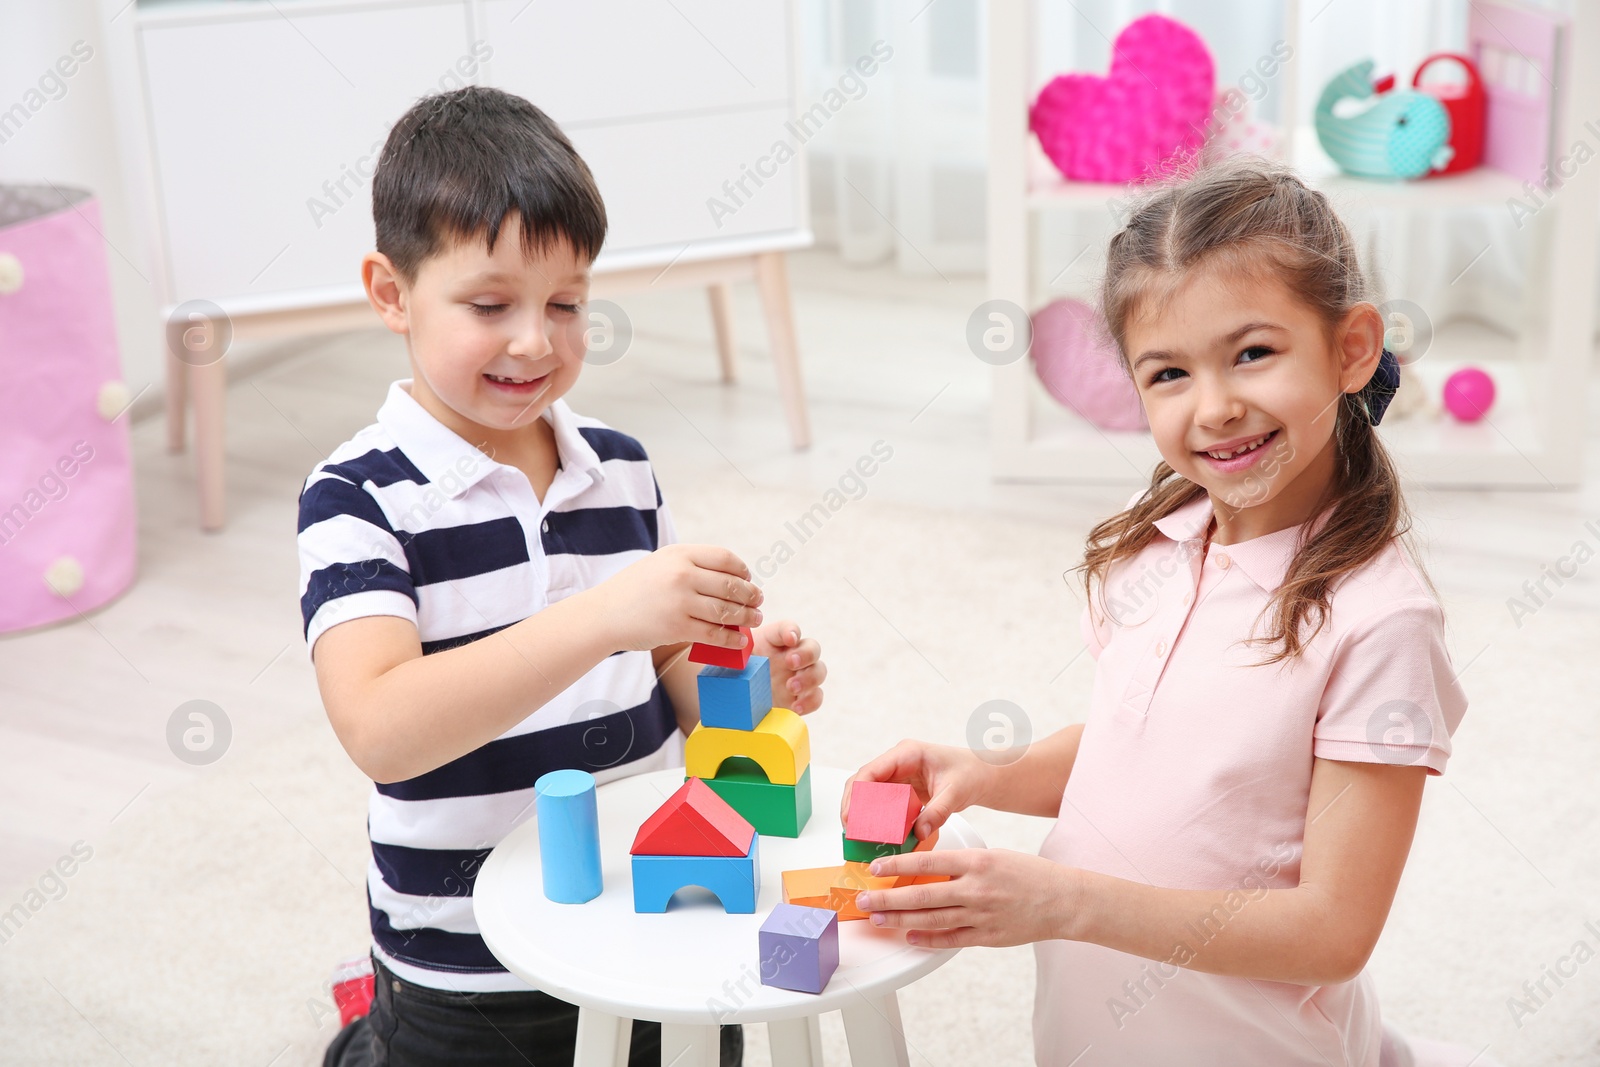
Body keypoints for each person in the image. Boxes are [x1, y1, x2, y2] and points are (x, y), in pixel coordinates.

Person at [843, 159, 1491, 1067]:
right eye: (1169, 373)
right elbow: (1136, 745)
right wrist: (988, 772)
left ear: (1350, 348)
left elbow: (1335, 930)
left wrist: (1066, 899)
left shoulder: (1380, 622)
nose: (1216, 407)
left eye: (1253, 353)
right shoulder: (1163, 540)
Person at [297, 86, 826, 1067]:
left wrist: (748, 701)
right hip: (468, 964)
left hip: (647, 921)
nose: (536, 339)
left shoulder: (619, 464)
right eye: (490, 304)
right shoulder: (357, 500)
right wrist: (602, 615)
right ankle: (364, 1028)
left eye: (568, 303)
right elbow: (383, 730)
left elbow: (675, 680)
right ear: (390, 292)